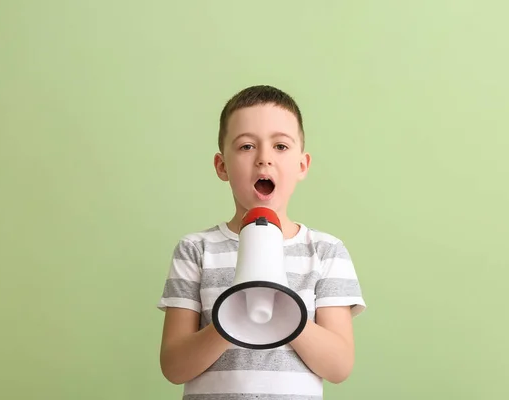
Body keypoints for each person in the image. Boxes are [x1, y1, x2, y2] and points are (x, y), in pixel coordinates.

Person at [157, 85, 367, 399]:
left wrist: (285, 313)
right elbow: (174, 367)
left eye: (281, 146)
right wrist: (232, 320)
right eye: (246, 147)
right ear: (221, 166)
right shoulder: (196, 250)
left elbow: (339, 367)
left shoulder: (325, 251)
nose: (264, 159)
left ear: (302, 165)